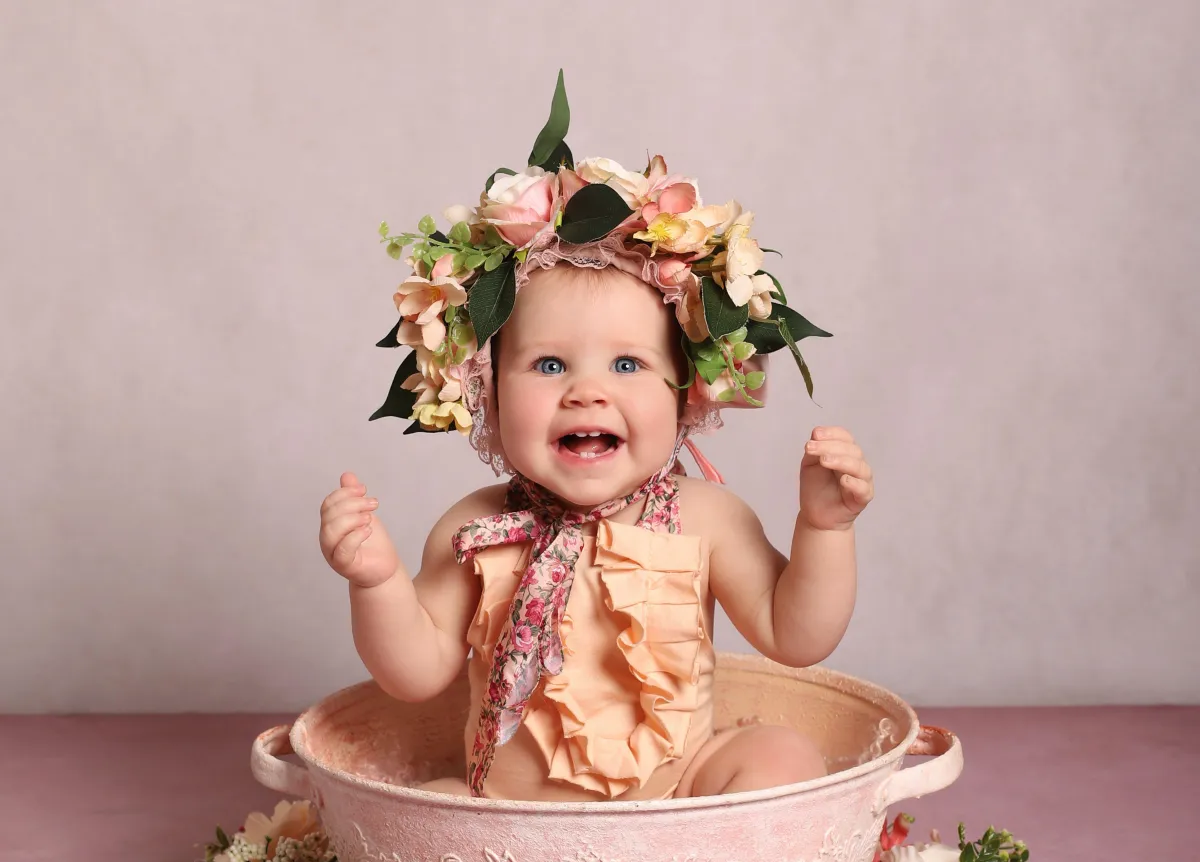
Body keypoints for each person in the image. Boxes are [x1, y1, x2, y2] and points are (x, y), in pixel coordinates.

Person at [317, 76, 874, 802]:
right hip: (514, 822)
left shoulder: (705, 519)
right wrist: (377, 583)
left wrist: (824, 528)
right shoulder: (477, 530)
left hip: (681, 804)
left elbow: (797, 636)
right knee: (433, 806)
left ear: (685, 390)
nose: (588, 391)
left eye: (627, 364)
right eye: (548, 365)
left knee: (782, 757)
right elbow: (414, 672)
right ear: (487, 388)